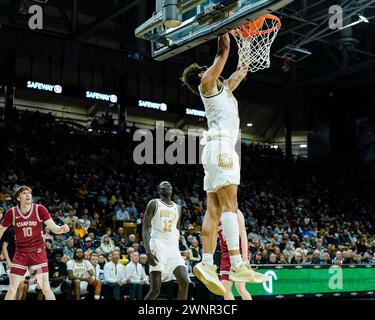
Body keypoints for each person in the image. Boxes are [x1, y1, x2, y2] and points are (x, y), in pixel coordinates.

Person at [181, 34, 268, 295]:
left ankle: (207, 263)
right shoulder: (207, 83)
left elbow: (240, 72)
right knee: (231, 206)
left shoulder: (224, 90)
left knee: (214, 210)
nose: (214, 70)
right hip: (222, 149)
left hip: (213, 150)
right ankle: (238, 263)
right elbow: (223, 49)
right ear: (202, 75)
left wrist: (250, 44)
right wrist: (225, 23)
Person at [0, 186, 70, 300]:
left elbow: (54, 228)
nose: (28, 195)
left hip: (38, 252)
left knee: (45, 287)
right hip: (20, 253)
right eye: (24, 193)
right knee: (12, 288)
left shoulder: (39, 209)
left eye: (29, 193)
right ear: (18, 198)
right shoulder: (11, 212)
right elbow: (1, 231)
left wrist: (61, 229)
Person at [142, 181, 190, 300]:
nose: (167, 186)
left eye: (169, 185)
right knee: (155, 290)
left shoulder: (178, 208)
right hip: (158, 244)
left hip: (173, 248)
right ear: (159, 191)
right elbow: (145, 228)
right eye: (164, 185)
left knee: (184, 281)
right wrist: (148, 252)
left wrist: (177, 246)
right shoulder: (154, 203)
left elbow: (177, 229)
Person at [218, 209, 253, 300]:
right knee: (225, 290)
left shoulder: (236, 212)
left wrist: (245, 258)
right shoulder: (214, 213)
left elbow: (243, 235)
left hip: (239, 252)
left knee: (240, 288)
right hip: (225, 253)